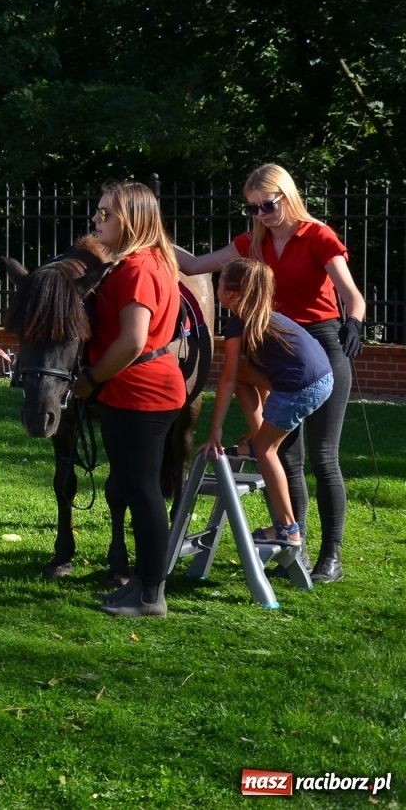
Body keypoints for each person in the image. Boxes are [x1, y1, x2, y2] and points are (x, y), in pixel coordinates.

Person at [176, 163, 364, 583]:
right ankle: (292, 543)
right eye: (253, 208)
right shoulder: (253, 241)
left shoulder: (317, 235)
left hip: (322, 344)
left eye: (267, 205)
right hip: (277, 346)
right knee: (284, 455)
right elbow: (194, 266)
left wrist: (354, 321)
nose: (259, 214)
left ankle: (330, 556)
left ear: (287, 195)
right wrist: (149, 233)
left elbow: (352, 294)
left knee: (324, 455)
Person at [71, 181, 187, 618]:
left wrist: (90, 380)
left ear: (133, 220)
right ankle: (142, 583)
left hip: (140, 393)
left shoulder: (139, 268)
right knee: (139, 490)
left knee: (142, 493)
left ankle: (151, 596)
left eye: (106, 214)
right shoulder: (153, 261)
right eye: (98, 212)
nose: (96, 221)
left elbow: (133, 341)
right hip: (142, 390)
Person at [199, 259, 334, 547]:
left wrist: (215, 433)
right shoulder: (260, 315)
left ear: (232, 294)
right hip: (320, 376)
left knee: (265, 450)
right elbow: (249, 375)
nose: (216, 286)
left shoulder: (239, 323)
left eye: (219, 281)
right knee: (247, 374)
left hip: (302, 386)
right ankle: (256, 437)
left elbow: (228, 379)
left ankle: (288, 528)